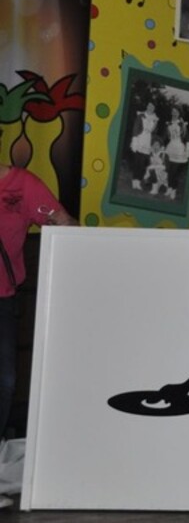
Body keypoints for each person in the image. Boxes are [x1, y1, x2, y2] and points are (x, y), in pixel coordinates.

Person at [0, 153, 78, 510]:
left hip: (3, 299)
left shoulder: (22, 185)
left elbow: (64, 224)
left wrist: (66, 228)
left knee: (4, 382)